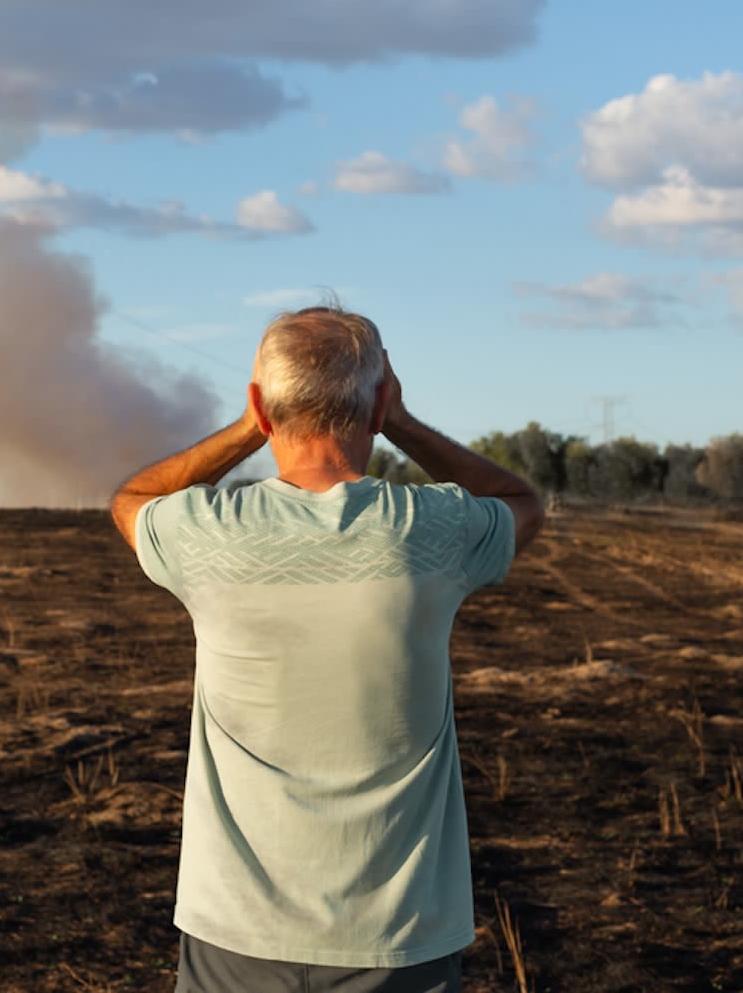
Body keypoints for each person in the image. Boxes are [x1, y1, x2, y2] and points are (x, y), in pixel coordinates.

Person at [110, 304, 545, 993]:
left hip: (235, 930)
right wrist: (399, 423)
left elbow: (134, 497)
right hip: (398, 937)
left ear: (259, 404)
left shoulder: (205, 532)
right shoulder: (435, 530)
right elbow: (521, 499)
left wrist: (244, 432)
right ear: (377, 402)